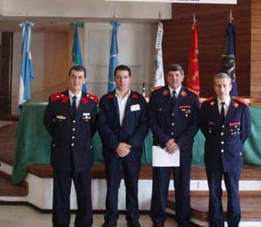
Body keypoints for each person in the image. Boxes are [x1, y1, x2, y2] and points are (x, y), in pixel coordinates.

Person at [43, 65, 98, 227]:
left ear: (85, 80)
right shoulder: (56, 100)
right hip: (62, 155)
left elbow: (93, 127)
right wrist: (62, 138)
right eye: (73, 76)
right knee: (61, 196)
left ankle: (84, 224)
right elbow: (48, 123)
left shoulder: (92, 102)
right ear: (69, 78)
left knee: (84, 196)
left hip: (83, 156)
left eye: (80, 77)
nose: (76, 80)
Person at [149, 63, 200, 227]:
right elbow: (152, 121)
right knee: (159, 186)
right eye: (171, 75)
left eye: (177, 75)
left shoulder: (191, 97)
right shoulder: (157, 96)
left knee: (182, 186)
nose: (174, 78)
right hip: (162, 148)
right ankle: (158, 220)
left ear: (183, 77)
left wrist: (178, 142)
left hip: (182, 149)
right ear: (166, 77)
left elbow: (195, 124)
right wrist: (166, 141)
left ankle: (183, 221)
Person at [98, 65, 148, 227]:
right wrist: (116, 146)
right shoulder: (106, 100)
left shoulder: (139, 99)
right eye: (119, 77)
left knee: (132, 187)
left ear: (130, 79)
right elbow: (102, 126)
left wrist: (128, 146)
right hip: (113, 152)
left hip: (132, 153)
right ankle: (110, 221)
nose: (122, 80)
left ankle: (133, 220)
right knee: (112, 187)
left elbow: (143, 126)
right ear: (114, 79)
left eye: (125, 77)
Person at [198, 72, 251, 227]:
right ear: (214, 87)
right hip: (213, 155)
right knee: (214, 192)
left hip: (233, 156)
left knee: (233, 192)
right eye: (219, 86)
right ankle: (216, 223)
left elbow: (245, 132)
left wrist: (232, 146)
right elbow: (203, 127)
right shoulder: (207, 106)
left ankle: (234, 223)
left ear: (230, 87)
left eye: (225, 85)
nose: (222, 89)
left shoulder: (240, 107)